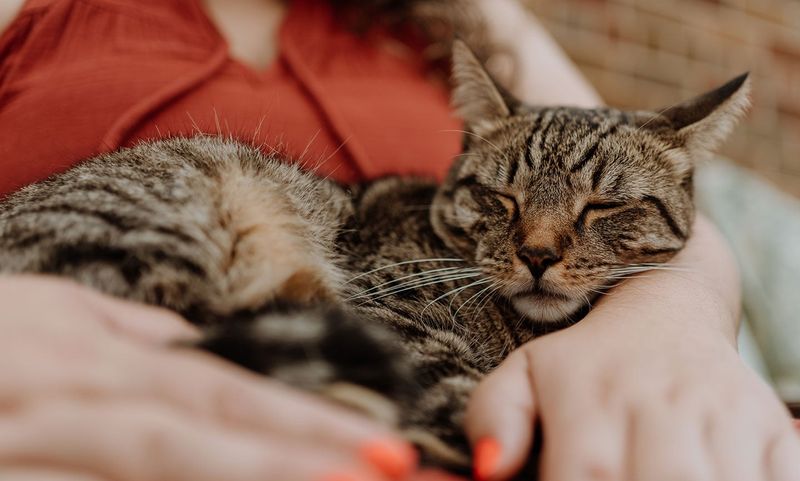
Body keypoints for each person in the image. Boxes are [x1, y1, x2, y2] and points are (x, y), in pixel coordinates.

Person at [0, 1, 796, 481]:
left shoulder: (471, 14)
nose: (539, 244)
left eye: (597, 211)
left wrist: (679, 325)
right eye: (504, 202)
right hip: (91, 334)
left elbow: (669, 192)